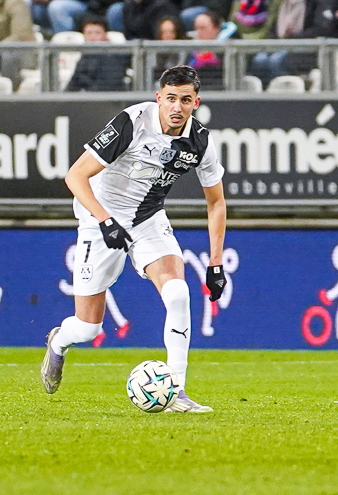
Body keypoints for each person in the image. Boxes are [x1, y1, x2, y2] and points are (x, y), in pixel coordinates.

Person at [41, 64, 228, 414]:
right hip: (100, 214)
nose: (176, 107)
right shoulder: (133, 121)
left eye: (185, 100)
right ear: (159, 98)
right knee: (88, 328)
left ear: (196, 103)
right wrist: (104, 220)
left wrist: (216, 263)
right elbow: (76, 176)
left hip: (148, 218)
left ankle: (177, 391)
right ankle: (59, 342)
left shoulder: (200, 141)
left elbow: (216, 202)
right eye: (170, 98)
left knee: (178, 293)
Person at [65, 15, 130, 91]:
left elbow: (110, 85)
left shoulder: (114, 56)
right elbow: (73, 85)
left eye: (97, 33)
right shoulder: (85, 56)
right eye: (89, 33)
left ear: (106, 36)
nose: (93, 37)